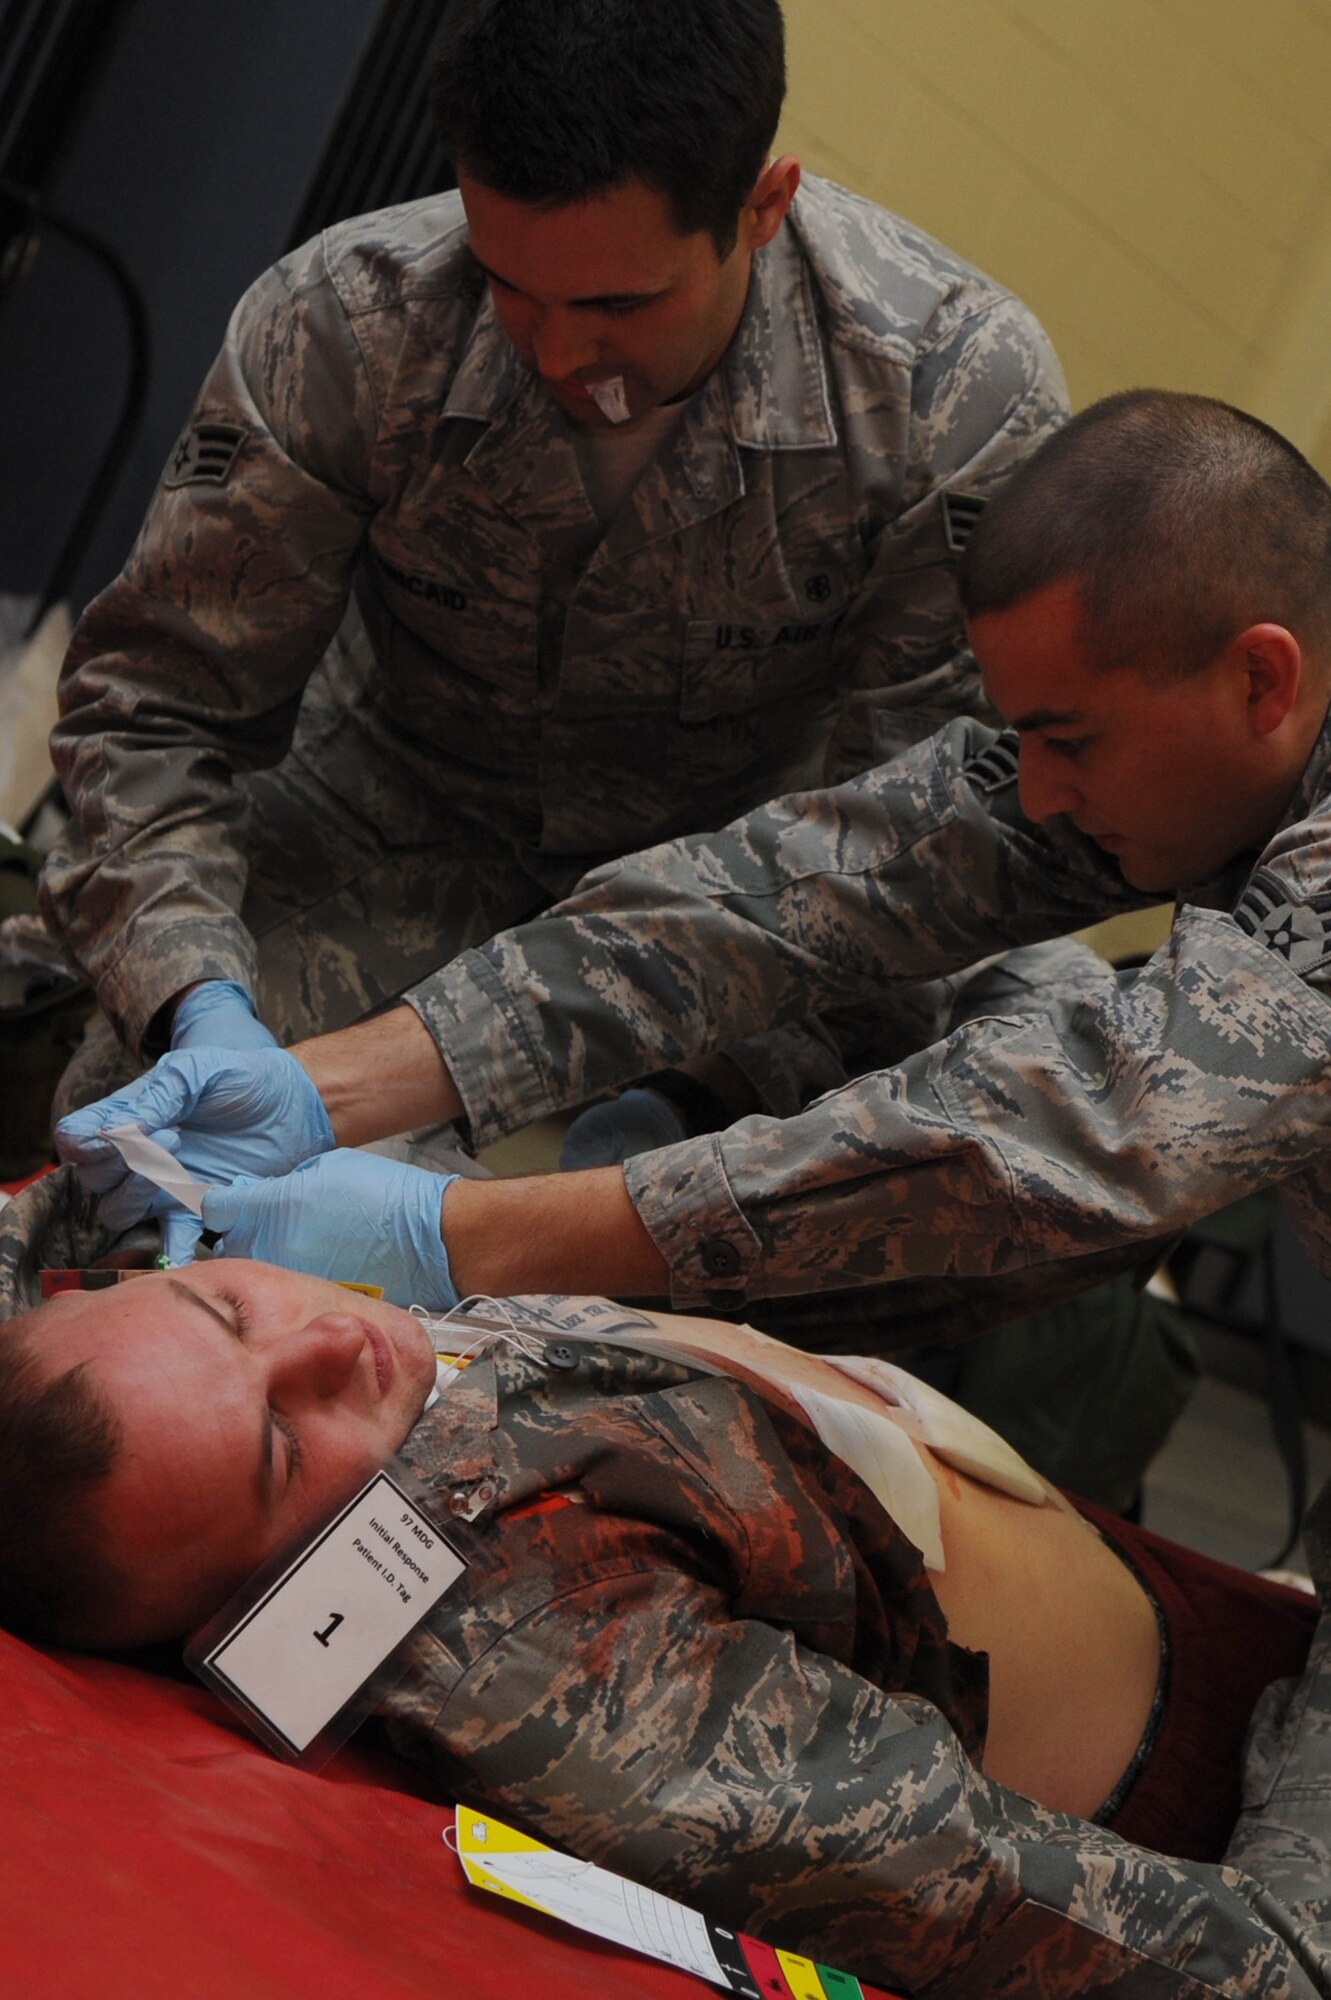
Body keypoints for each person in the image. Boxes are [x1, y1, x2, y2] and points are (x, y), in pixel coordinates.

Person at [57, 390, 1331, 1355]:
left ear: (1259, 678)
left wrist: (453, 1236)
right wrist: (311, 1084)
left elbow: (1066, 1125)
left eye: (1072, 740)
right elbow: (785, 892)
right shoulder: (1160, 747)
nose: (1041, 789)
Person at [37, 0, 1069, 1112]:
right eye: (510, 284)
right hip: (398, 820)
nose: (563, 352)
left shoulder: (943, 399)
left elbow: (908, 840)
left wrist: (697, 1110)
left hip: (743, 904)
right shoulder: (347, 326)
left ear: (763, 205)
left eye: (620, 302)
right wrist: (197, 1000)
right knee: (145, 1122)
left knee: (967, 1140)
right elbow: (156, 709)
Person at [0, 1224, 1325, 1997]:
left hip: (1095, 1584)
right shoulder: (566, 1690)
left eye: (228, 1304)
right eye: (280, 1447)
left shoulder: (335, 1381)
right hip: (1214, 1773)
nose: (328, 1341)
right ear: (249, 1607)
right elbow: (1244, 1970)